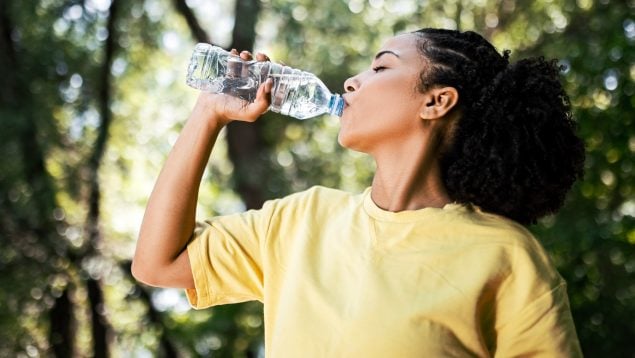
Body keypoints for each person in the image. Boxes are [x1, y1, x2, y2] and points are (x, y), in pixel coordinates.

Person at [132, 28, 585, 357]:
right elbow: (157, 263)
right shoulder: (300, 220)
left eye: (381, 66)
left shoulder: (505, 256)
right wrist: (208, 113)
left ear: (436, 101)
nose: (352, 82)